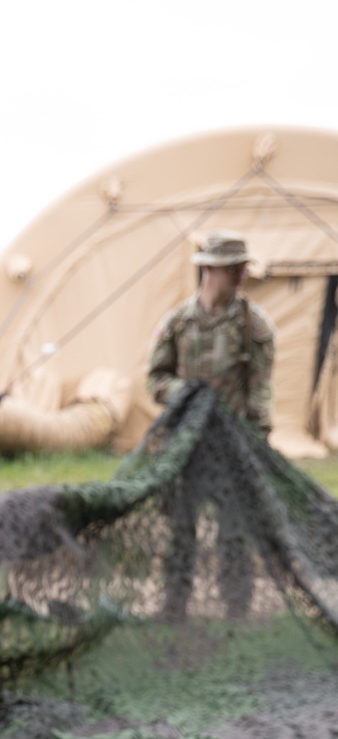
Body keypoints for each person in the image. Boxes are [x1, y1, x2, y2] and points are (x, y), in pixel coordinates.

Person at [146, 230, 275, 621]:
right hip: (186, 444)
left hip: (232, 445)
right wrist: (185, 392)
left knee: (234, 532)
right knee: (181, 528)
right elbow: (155, 381)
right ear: (208, 269)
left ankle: (236, 610)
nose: (238, 276)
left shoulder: (254, 326)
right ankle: (173, 609)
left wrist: (259, 440)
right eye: (230, 269)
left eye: (241, 269)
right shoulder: (177, 323)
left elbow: (260, 391)